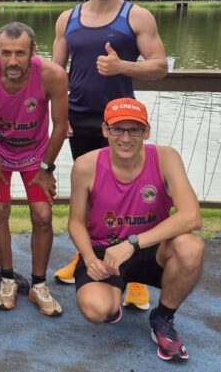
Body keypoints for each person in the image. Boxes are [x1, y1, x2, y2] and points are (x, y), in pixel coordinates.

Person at [52, 0, 168, 310]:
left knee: (129, 196)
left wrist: (123, 67)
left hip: (122, 122)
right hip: (80, 119)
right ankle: (86, 256)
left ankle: (136, 274)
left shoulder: (136, 16)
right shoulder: (67, 18)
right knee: (89, 195)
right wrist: (60, 118)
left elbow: (160, 66)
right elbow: (55, 74)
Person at [68, 98, 203, 362]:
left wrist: (132, 243)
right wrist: (89, 258)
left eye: (134, 130)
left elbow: (192, 216)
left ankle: (163, 317)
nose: (126, 138)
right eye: (118, 129)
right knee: (96, 310)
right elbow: (75, 222)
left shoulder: (166, 158)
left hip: (150, 247)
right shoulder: (85, 165)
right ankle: (113, 302)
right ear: (105, 130)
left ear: (147, 131)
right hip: (104, 250)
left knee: (191, 246)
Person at [0, 22, 68, 316]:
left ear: (33, 51)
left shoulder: (53, 75)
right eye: (6, 53)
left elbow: (60, 125)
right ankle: (8, 279)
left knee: (43, 215)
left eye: (20, 53)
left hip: (35, 154)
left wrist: (47, 167)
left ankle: (39, 284)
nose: (13, 61)